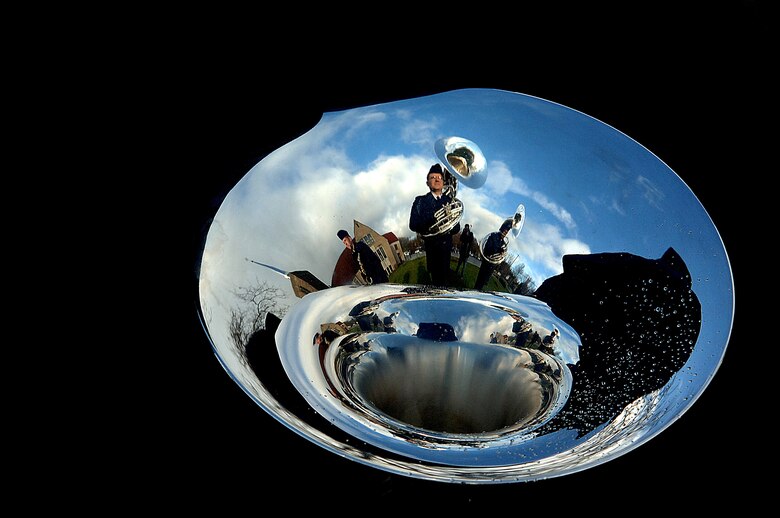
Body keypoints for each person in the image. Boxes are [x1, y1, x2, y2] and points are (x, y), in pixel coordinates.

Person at [409, 164, 461, 286]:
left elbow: (457, 227)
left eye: (439, 177)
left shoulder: (450, 201)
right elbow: (413, 224)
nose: (437, 179)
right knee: (435, 283)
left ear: (443, 182)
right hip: (432, 249)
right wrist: (432, 220)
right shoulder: (420, 201)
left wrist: (448, 224)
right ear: (427, 183)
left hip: (446, 249)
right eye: (433, 177)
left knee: (445, 280)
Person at [473, 218, 512, 291]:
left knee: (482, 285)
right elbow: (487, 250)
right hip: (486, 264)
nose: (505, 233)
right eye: (505, 230)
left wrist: (502, 253)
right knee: (478, 284)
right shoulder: (493, 236)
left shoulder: (503, 243)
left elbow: (500, 257)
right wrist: (498, 250)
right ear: (502, 229)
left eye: (507, 232)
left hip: (492, 267)